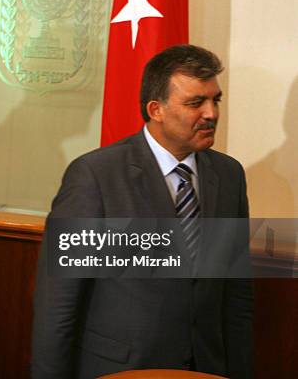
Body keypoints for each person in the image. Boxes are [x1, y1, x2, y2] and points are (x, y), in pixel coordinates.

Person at [31, 45, 253, 378]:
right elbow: (58, 305)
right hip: (120, 369)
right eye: (195, 103)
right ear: (156, 109)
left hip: (205, 367)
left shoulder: (229, 175)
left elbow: (237, 295)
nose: (211, 113)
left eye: (215, 100)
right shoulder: (96, 176)